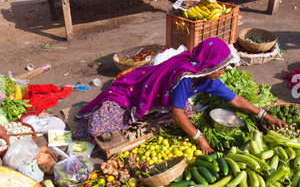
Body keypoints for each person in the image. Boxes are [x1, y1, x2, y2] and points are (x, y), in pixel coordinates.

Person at [74, 38, 286, 154]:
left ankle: (147, 112)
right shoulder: (185, 76)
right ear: (209, 64)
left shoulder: (207, 77)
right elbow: (176, 113)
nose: (223, 71)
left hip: (159, 96)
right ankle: (136, 111)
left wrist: (264, 116)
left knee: (185, 110)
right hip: (133, 93)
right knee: (99, 127)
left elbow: (236, 100)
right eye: (221, 67)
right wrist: (199, 138)